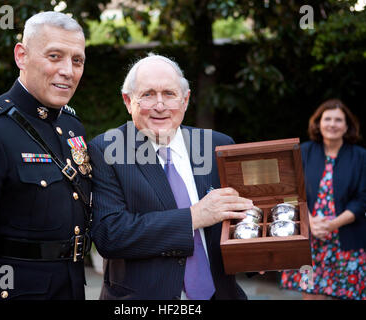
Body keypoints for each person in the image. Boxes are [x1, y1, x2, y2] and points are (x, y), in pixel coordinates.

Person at [0, 11, 92, 300]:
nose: (68, 70)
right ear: (21, 56)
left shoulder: (71, 125)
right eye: (54, 56)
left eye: (77, 60)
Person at [88, 54, 254, 300]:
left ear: (185, 100)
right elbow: (110, 235)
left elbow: (237, 216)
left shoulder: (215, 145)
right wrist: (193, 217)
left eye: (169, 94)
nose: (159, 105)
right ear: (127, 100)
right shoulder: (107, 150)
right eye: (147, 94)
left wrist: (259, 250)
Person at [280, 99, 366, 300]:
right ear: (318, 123)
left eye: (338, 120)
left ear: (347, 126)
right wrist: (309, 221)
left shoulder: (362, 157)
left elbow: (363, 199)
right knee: (309, 294)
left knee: (344, 294)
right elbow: (291, 191)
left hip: (346, 239)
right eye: (327, 119)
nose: (332, 124)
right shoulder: (303, 151)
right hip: (309, 239)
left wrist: (331, 225)